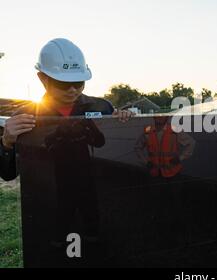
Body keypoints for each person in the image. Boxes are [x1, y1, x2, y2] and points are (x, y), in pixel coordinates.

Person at [0, 38, 134, 181]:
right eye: (63, 84)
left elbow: (101, 143)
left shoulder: (102, 107)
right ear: (42, 78)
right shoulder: (23, 117)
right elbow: (8, 175)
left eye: (78, 83)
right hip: (46, 192)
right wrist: (6, 143)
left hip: (90, 188)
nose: (72, 90)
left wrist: (124, 121)